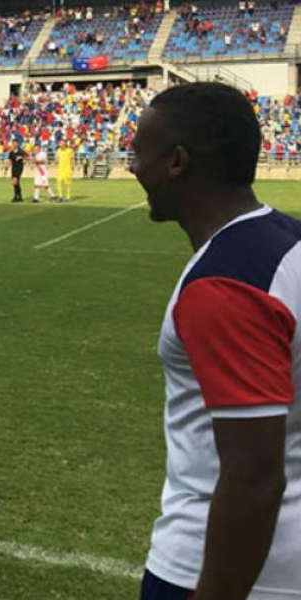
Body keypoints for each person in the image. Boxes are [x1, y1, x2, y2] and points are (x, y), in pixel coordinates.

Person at [129, 82, 301, 600]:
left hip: (218, 568)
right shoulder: (288, 239)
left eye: (140, 151)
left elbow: (253, 476)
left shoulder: (223, 286)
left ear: (177, 161)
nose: (133, 167)